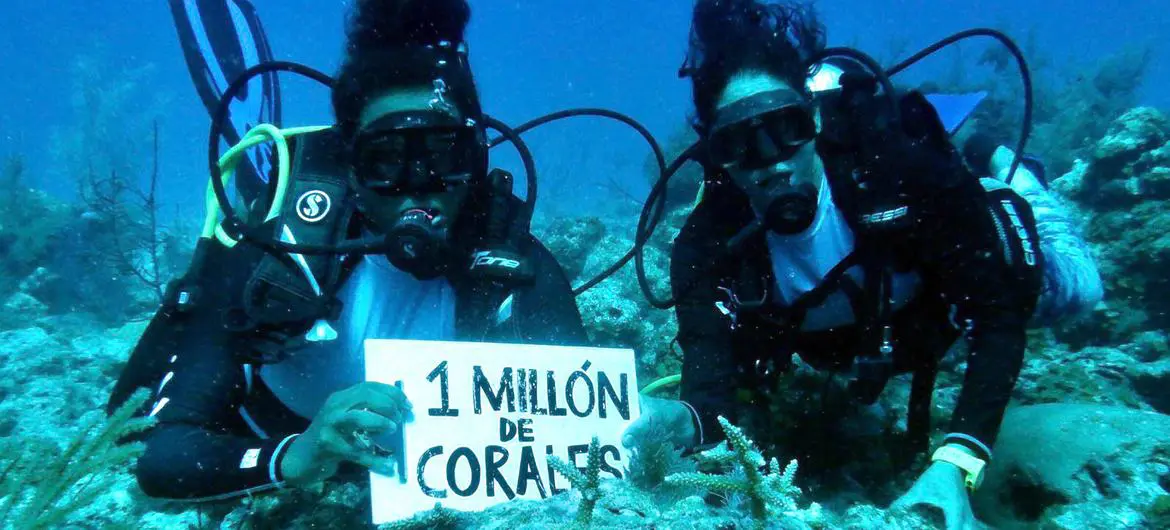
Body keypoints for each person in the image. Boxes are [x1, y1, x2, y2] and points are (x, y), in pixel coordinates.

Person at [624, 1, 1100, 529]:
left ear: (815, 114)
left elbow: (995, 318)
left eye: (787, 127)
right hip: (850, 345)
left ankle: (1017, 180)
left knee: (1077, 291)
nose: (774, 161)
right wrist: (685, 422)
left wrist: (957, 461)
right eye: (740, 143)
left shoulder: (901, 171)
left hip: (934, 311)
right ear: (718, 155)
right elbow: (709, 372)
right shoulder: (707, 246)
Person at [108, 0, 587, 500]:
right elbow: (160, 453)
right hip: (275, 447)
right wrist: (293, 454)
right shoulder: (279, 252)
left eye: (444, 156)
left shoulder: (512, 267)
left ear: (477, 159)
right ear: (351, 167)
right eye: (385, 160)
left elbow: (581, 440)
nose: (417, 187)